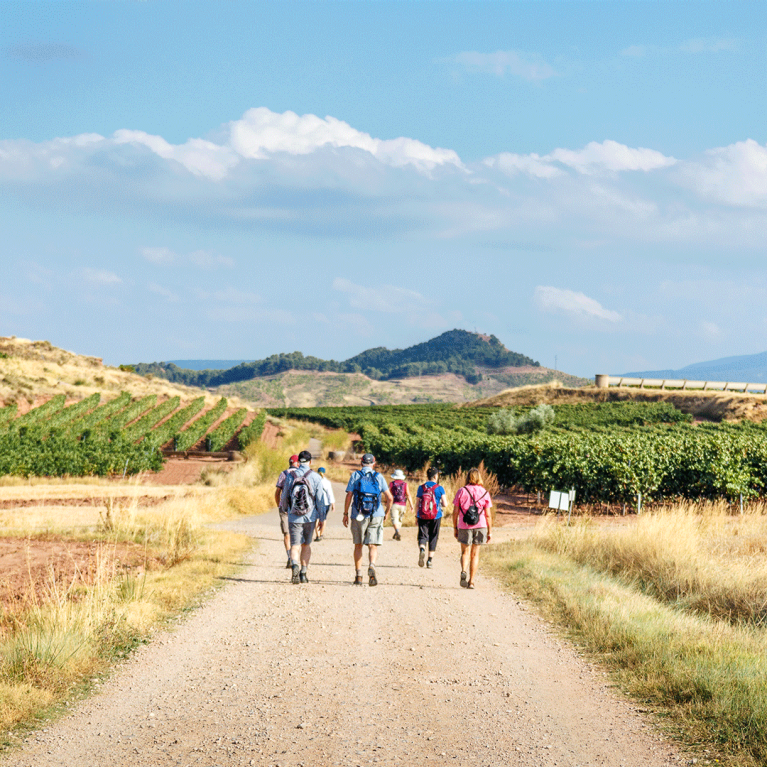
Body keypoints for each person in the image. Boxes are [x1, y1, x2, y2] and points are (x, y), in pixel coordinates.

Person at [344, 453, 392, 586]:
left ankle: (358, 576)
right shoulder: (379, 477)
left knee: (358, 545)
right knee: (372, 545)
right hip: (376, 514)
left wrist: (345, 513)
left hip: (358, 514)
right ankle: (372, 565)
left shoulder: (355, 475)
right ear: (374, 464)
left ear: (361, 463)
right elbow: (390, 498)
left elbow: (349, 495)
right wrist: (386, 512)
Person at [284, 450, 327, 584]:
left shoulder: (291, 476)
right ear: (310, 462)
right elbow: (320, 499)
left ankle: (294, 565)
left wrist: (286, 510)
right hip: (310, 517)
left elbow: (285, 495)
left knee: (295, 545)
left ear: (298, 462)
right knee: (306, 545)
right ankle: (303, 573)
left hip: (294, 516)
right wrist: (322, 517)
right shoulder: (315, 477)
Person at [453, 467, 493, 589]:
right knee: (475, 554)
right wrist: (489, 532)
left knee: (465, 552)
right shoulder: (485, 493)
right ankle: (471, 582)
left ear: (468, 478)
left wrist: (455, 527)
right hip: (480, 525)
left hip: (464, 525)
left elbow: (455, 511)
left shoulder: (461, 491)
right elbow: (488, 515)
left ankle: (463, 570)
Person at [415, 467, 447, 568]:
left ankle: (422, 549)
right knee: (434, 536)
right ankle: (429, 561)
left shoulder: (421, 487)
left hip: (422, 515)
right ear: (435, 476)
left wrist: (416, 516)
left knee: (422, 535)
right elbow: (445, 504)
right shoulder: (440, 488)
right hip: (436, 516)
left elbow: (417, 503)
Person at [275, 454, 299, 568]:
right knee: (298, 532)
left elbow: (277, 493)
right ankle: (296, 558)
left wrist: (279, 505)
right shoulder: (302, 474)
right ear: (297, 463)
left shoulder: (283, 474)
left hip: (284, 507)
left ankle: (289, 556)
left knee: (286, 533)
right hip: (299, 508)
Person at [388, 469, 412, 541]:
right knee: (399, 519)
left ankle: (397, 531)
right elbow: (408, 495)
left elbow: (388, 494)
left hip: (394, 503)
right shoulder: (405, 484)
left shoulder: (391, 484)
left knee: (394, 519)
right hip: (403, 504)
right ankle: (397, 531)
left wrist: (387, 503)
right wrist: (411, 505)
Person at [315, 467, 335, 541]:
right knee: (324, 518)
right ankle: (321, 533)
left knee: (316, 518)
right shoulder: (327, 482)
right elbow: (330, 493)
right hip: (326, 502)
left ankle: (317, 535)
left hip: (316, 502)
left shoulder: (315, 481)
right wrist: (333, 503)